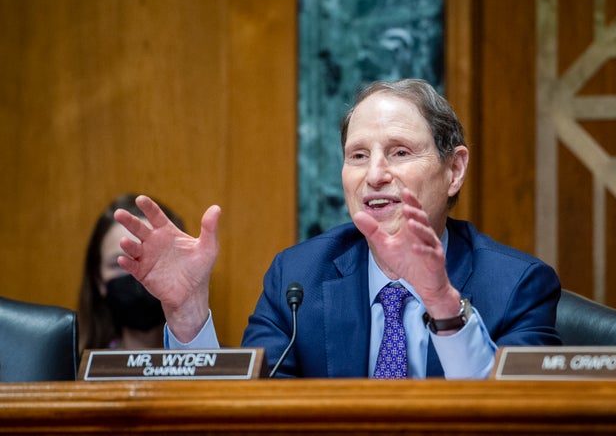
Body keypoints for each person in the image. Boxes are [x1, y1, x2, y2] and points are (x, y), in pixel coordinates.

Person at [113, 78, 561, 379]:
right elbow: (248, 416)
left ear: (454, 169)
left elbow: (520, 418)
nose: (376, 174)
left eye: (400, 152)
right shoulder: (300, 277)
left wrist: (443, 305)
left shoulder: (516, 285)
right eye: (359, 155)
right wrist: (188, 313)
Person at [77, 193, 185, 354]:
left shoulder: (218, 365)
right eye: (120, 263)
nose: (138, 275)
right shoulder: (72, 370)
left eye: (151, 262)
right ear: (98, 280)